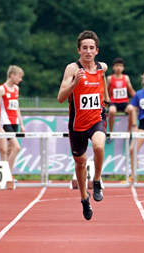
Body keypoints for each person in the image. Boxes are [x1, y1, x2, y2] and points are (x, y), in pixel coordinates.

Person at [57, 30, 110, 220]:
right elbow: (61, 98)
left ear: (97, 51)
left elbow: (102, 80)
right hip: (77, 125)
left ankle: (96, 180)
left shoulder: (101, 68)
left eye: (91, 48)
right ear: (79, 50)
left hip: (96, 120)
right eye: (84, 48)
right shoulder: (72, 69)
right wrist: (74, 84)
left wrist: (106, 101)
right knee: (80, 163)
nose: (88, 51)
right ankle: (84, 199)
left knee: (99, 146)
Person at [0, 65, 25, 177]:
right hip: (5, 122)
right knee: (17, 147)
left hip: (14, 121)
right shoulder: (1, 89)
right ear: (12, 76)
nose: (20, 80)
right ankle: (8, 175)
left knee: (10, 150)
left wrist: (21, 124)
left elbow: (16, 107)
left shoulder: (16, 89)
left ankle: (2, 174)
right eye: (19, 77)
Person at [107, 57, 136, 140]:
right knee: (112, 111)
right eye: (116, 66)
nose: (118, 68)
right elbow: (106, 91)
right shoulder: (110, 78)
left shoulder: (126, 78)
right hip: (114, 102)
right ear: (113, 67)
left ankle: (129, 132)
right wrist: (104, 102)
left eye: (120, 66)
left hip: (124, 102)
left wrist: (138, 98)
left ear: (123, 68)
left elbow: (131, 90)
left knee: (131, 109)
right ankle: (111, 132)